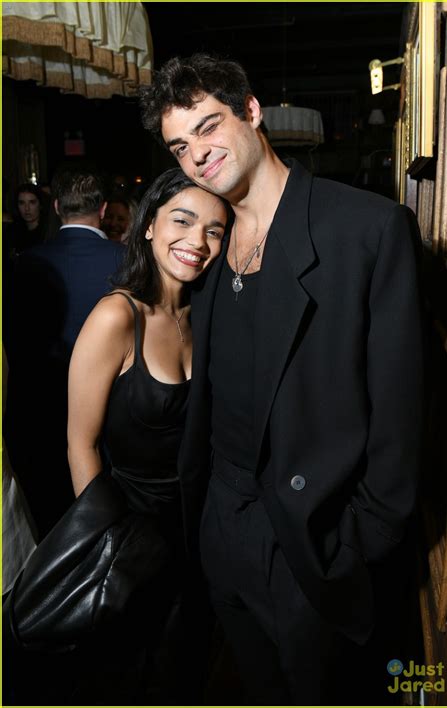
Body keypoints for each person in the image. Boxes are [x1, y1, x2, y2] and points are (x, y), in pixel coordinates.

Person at [140, 53, 424, 705]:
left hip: (314, 546)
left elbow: (400, 423)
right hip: (220, 527)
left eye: (209, 126)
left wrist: (350, 548)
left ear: (251, 111)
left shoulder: (367, 229)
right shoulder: (204, 244)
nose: (197, 154)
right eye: (180, 145)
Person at [66, 168, 228, 703]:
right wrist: (103, 549)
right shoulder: (116, 316)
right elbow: (80, 443)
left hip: (200, 527)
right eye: (182, 221)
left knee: (189, 668)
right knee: (136, 674)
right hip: (132, 533)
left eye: (215, 230)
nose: (197, 242)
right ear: (148, 226)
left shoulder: (205, 313)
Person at [5, 168, 126, 540]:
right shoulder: (127, 260)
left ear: (56, 207)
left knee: (49, 527)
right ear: (103, 210)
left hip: (36, 414)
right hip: (109, 419)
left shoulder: (21, 263)